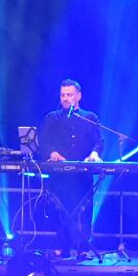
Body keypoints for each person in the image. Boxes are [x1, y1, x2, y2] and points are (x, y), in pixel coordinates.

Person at [39, 79, 103, 259]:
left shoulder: (90, 117)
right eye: (63, 95)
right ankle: (61, 247)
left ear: (78, 96)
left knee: (84, 210)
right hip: (59, 173)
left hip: (83, 173)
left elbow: (99, 142)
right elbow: (43, 142)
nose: (65, 98)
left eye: (69, 95)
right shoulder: (52, 117)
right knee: (59, 209)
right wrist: (52, 153)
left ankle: (83, 248)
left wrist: (94, 154)